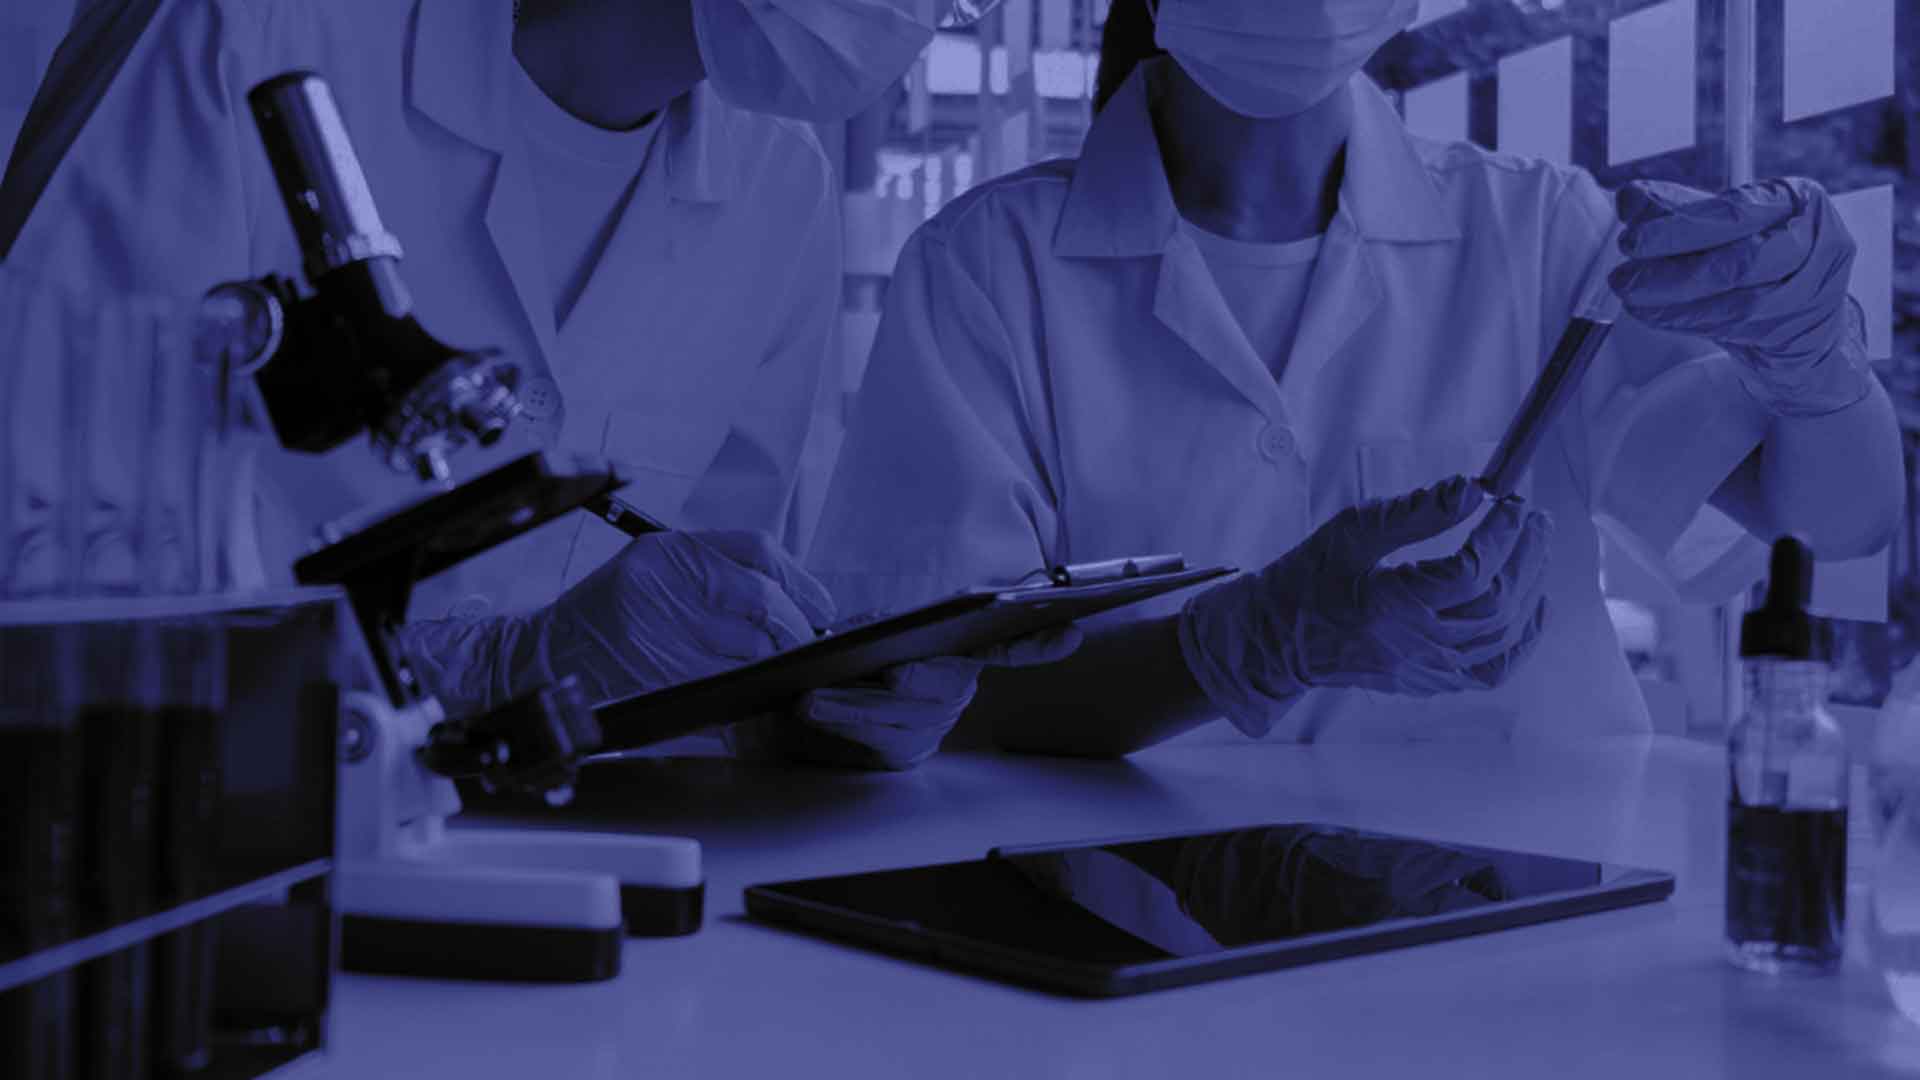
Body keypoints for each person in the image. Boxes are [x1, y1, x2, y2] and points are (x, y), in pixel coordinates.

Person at [796, 0, 1904, 759]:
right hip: (1142, 920)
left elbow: (1841, 520)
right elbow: (919, 705)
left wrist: (1814, 362)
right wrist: (1249, 644)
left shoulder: (1537, 230)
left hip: (1532, 905)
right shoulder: (989, 269)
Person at [0, 0, 1058, 722]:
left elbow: (703, 628)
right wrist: (480, 671)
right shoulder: (245, 29)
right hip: (202, 867)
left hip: (576, 902)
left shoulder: (782, 190)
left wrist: (799, 703)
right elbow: (39, 574)